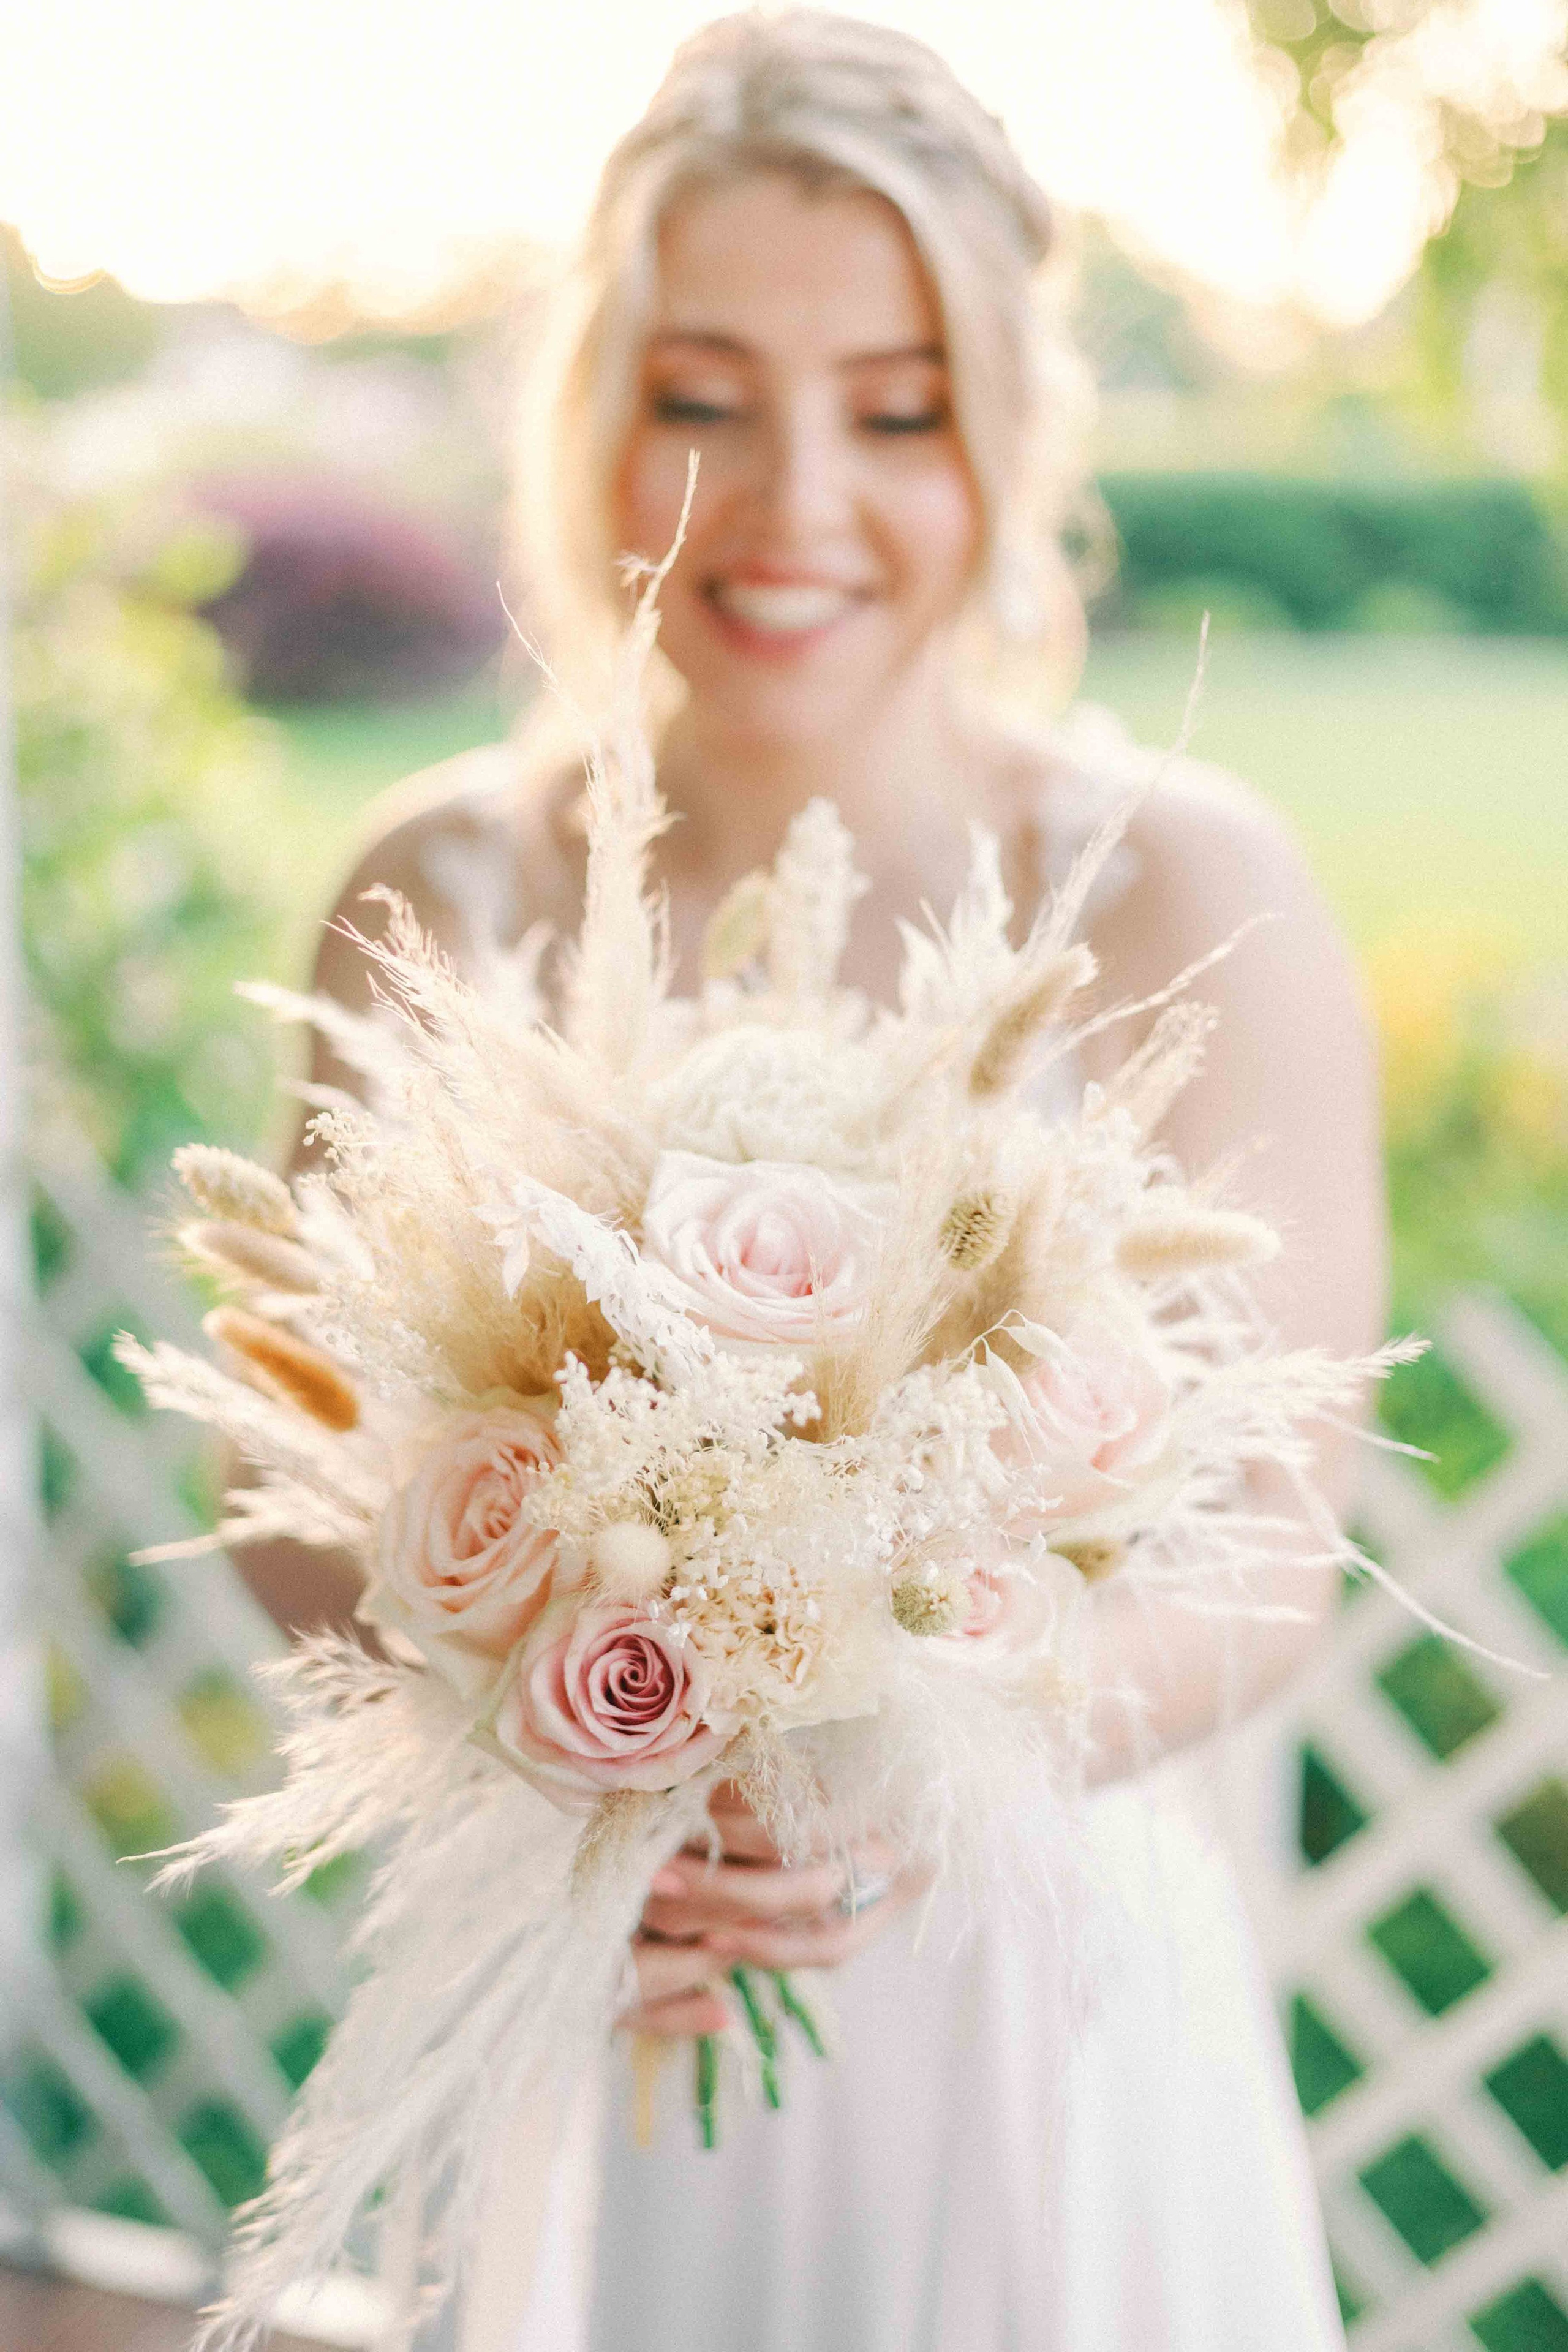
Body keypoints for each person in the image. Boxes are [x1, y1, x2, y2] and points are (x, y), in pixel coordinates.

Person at [270, 14, 1384, 2346]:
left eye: (894, 408)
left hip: (1032, 1997)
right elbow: (293, 1471)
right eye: (699, 396)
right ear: (587, 418)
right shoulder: (438, 888)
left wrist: (909, 1762)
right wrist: (551, 1715)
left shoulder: (1185, 889)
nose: (790, 504)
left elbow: (1278, 1540)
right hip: (600, 1979)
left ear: (1008, 433)